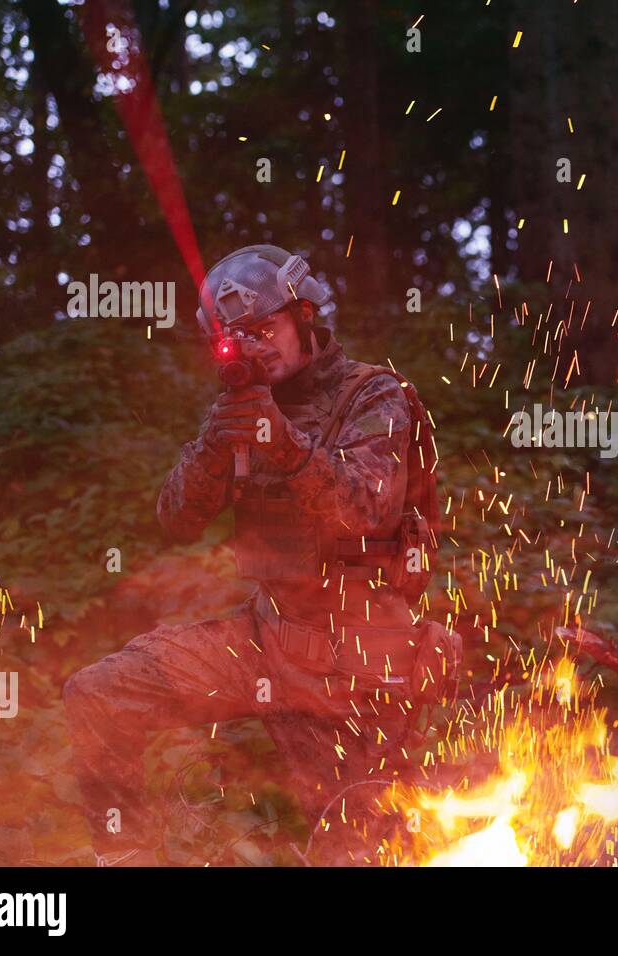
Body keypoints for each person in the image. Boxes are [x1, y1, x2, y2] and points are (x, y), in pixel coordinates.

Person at [63, 245, 455, 866]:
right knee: (100, 692)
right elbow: (176, 520)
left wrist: (286, 443)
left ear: (304, 316)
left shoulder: (374, 393)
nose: (255, 347)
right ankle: (125, 856)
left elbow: (368, 510)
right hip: (265, 638)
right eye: (238, 336)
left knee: (363, 852)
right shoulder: (241, 410)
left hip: (358, 664)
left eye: (265, 329)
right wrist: (219, 443)